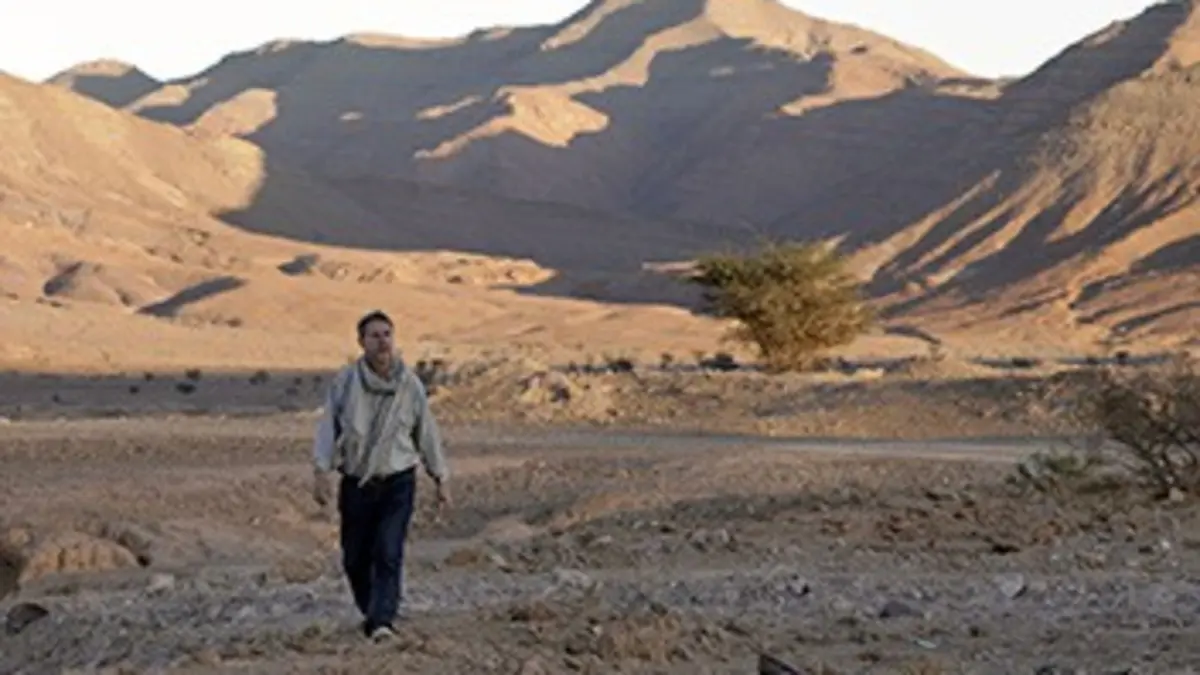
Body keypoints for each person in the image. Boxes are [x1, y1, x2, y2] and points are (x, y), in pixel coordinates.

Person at [311, 309, 451, 641]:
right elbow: (329, 426)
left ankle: (382, 622)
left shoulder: (410, 385)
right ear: (361, 342)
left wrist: (440, 477)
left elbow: (426, 432)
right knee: (355, 557)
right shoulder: (346, 382)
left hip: (398, 480)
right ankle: (373, 609)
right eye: (374, 336)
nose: (382, 341)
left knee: (388, 550)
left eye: (387, 334)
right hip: (357, 481)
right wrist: (321, 470)